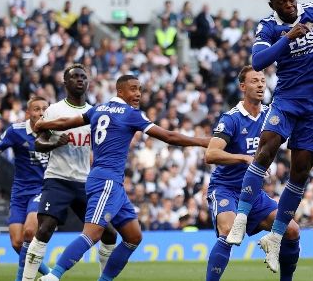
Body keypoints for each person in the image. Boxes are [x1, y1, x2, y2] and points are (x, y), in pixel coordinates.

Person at [225, 0, 313, 274]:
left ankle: (276, 237)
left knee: (301, 169)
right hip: (287, 99)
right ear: (273, 6)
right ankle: (241, 217)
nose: (289, 4)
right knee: (267, 147)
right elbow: (258, 61)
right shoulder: (268, 27)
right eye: (282, 1)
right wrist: (288, 37)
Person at [36, 74, 210, 281]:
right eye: (133, 89)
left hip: (111, 182)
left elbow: (67, 122)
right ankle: (53, 276)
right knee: (92, 234)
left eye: (140, 89)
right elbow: (169, 136)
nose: (138, 94)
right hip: (106, 181)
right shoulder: (130, 114)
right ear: (120, 91)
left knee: (133, 236)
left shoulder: (98, 109)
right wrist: (202, 141)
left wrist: (44, 125)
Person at [204, 66, 313, 281]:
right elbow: (211, 153)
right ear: (243, 87)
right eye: (255, 81)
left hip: (254, 193)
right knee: (228, 230)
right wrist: (243, 158)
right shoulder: (231, 118)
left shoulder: (270, 114)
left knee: (292, 231)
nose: (261, 85)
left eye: (263, 81)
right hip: (226, 189)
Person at [22, 65, 117, 281]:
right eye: (74, 77)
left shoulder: (95, 113)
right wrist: (55, 142)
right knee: (45, 229)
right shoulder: (55, 110)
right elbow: (38, 143)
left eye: (83, 77)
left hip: (85, 182)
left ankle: (104, 278)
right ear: (65, 83)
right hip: (58, 179)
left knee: (109, 232)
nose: (80, 80)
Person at [0, 97, 51, 281]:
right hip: (19, 192)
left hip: (42, 189)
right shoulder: (16, 131)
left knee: (30, 232)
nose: (41, 112)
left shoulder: (55, 131)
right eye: (36, 109)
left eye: (45, 108)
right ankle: (51, 274)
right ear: (28, 113)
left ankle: (21, 279)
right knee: (17, 243)